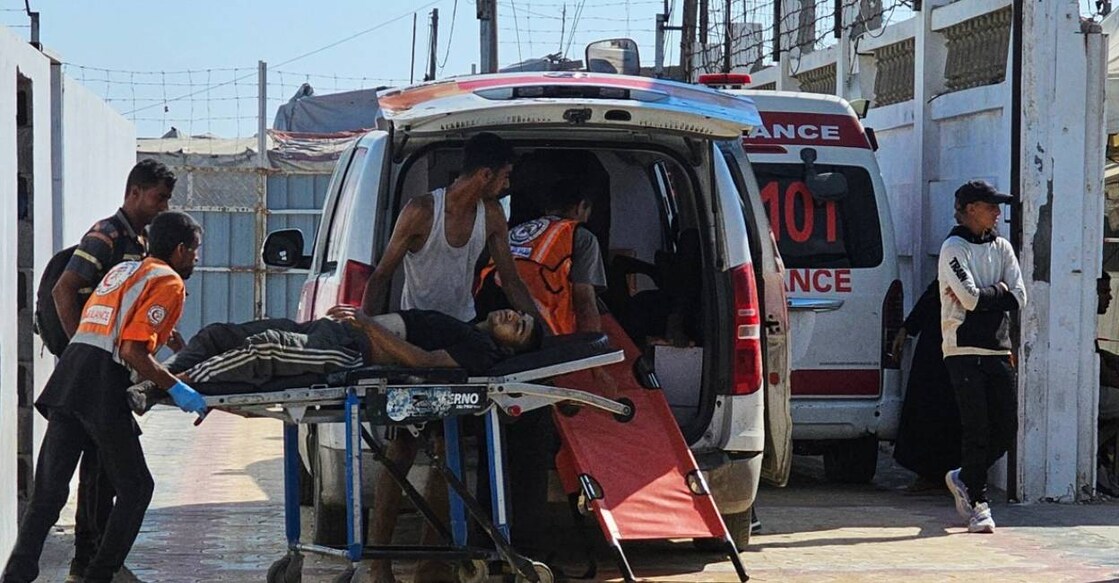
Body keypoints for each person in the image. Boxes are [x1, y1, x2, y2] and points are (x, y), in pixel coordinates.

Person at [358, 132, 540, 583]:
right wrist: (370, 336)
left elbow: (512, 283)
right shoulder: (422, 211)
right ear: (484, 174)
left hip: (457, 338)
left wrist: (544, 332)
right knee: (400, 449)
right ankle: (377, 564)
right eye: (505, 176)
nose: (508, 184)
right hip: (415, 333)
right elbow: (381, 274)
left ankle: (431, 562)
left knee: (448, 450)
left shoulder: (492, 215)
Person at [2, 211, 204, 583]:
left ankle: (17, 573)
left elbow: (113, 322)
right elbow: (130, 350)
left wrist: (165, 338)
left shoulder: (124, 271)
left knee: (49, 491)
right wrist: (176, 387)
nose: (195, 258)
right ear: (179, 250)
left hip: (71, 374)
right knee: (137, 487)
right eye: (194, 251)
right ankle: (99, 575)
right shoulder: (169, 282)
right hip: (101, 382)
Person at [50, 158, 176, 582]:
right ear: (135, 191)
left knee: (104, 467)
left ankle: (93, 563)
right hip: (94, 373)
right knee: (100, 466)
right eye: (159, 198)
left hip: (109, 373)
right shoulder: (106, 234)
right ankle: (89, 564)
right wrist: (80, 355)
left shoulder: (140, 243)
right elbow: (64, 289)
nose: (163, 206)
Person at [125, 307, 543, 411]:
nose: (512, 316)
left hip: (351, 350)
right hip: (337, 330)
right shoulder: (471, 325)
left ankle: (159, 384)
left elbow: (422, 362)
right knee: (219, 334)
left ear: (509, 347)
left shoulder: (480, 350)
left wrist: (366, 324)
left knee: (265, 349)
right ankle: (156, 379)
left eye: (519, 327)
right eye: (518, 314)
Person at [938, 180, 1026, 534]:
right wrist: (998, 292)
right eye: (991, 206)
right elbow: (969, 299)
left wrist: (994, 295)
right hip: (962, 349)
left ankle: (964, 477)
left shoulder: (1002, 247)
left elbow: (1019, 296)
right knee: (977, 428)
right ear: (971, 208)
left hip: (998, 348)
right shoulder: (953, 248)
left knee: (1006, 429)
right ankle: (977, 502)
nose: (997, 213)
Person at [477, 177, 607, 334]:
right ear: (580, 207)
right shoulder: (581, 237)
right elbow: (584, 303)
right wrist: (590, 351)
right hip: (542, 336)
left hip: (492, 327)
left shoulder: (511, 233)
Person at [891, 279, 960, 492]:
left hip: (964, 344)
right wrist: (908, 327)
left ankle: (951, 474)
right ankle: (928, 473)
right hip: (935, 342)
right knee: (925, 403)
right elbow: (935, 292)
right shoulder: (954, 251)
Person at [1094, 272, 1119, 495]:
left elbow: (1100, 355)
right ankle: (1094, 452)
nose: (1109, 297)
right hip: (1092, 396)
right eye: (1104, 292)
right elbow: (1103, 374)